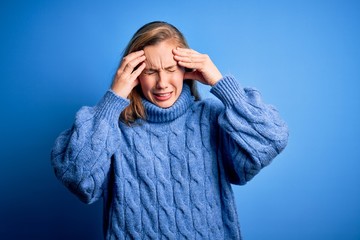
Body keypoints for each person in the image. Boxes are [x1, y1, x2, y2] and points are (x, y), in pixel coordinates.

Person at [51, 21, 289, 239]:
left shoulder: (213, 118)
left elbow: (272, 139)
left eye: (171, 69)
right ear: (134, 76)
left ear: (186, 69)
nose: (162, 83)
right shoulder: (112, 129)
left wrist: (220, 83)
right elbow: (76, 178)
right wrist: (113, 100)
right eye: (151, 72)